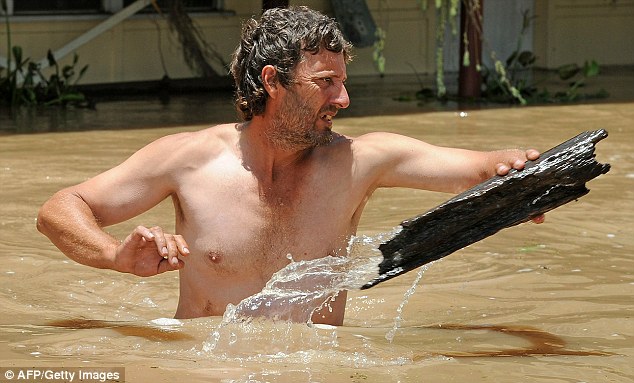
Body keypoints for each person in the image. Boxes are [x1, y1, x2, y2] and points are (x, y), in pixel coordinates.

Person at [36, 6, 542, 326]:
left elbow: (477, 166)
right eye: (325, 82)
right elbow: (60, 208)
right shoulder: (187, 159)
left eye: (343, 82)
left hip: (314, 368)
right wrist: (114, 256)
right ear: (273, 81)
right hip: (201, 369)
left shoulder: (361, 160)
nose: (343, 98)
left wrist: (518, 172)